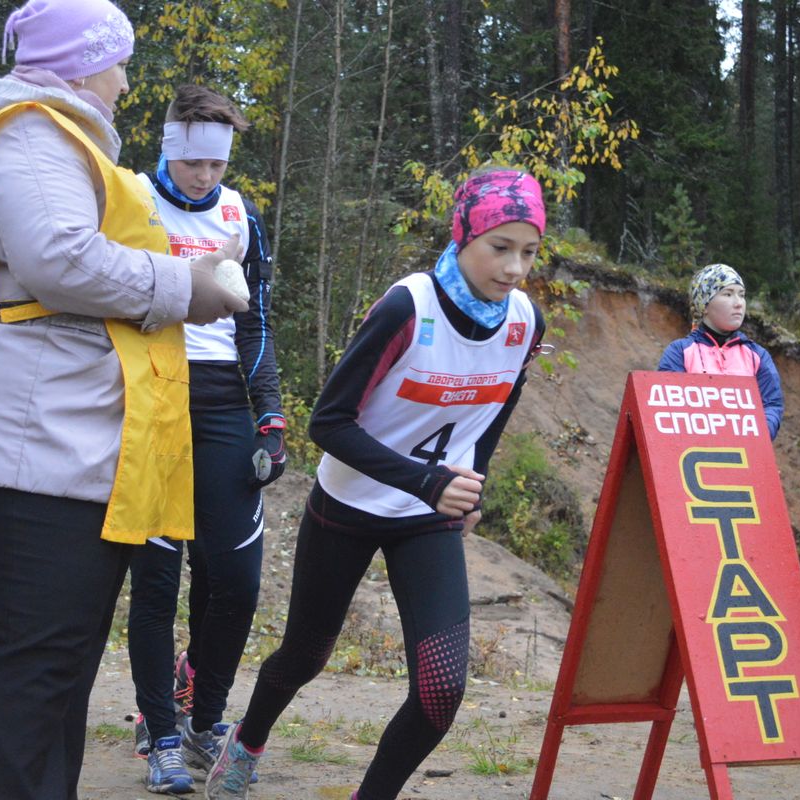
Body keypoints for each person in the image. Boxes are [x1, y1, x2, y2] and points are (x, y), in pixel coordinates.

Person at [0, 1, 246, 796]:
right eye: (118, 63)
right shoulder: (32, 131)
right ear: (82, 65)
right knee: (37, 667)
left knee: (59, 669)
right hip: (32, 447)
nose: (125, 83)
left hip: (56, 441)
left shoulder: (56, 137)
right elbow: (57, 258)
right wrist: (185, 286)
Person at [204, 167, 548, 800]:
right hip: (350, 504)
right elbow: (328, 423)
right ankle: (247, 741)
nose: (514, 268)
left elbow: (496, 408)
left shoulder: (526, 321)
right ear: (463, 235)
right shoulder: (407, 308)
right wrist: (426, 481)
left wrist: (473, 480)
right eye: (500, 247)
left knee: (441, 690)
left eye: (529, 252)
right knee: (304, 657)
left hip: (429, 515)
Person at [128, 85, 285, 794]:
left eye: (215, 164)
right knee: (158, 580)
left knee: (236, 580)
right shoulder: (134, 201)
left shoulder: (240, 213)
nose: (203, 176)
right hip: (154, 393)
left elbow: (256, 320)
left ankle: (202, 717)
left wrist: (270, 415)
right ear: (169, 151)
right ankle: (160, 734)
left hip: (223, 401)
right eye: (192, 162)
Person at [657, 263, 784, 439]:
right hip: (694, 451)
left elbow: (772, 405)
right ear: (705, 305)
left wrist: (758, 434)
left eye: (741, 295)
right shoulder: (680, 352)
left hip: (746, 452)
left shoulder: (757, 355)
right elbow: (669, 409)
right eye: (728, 294)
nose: (738, 303)